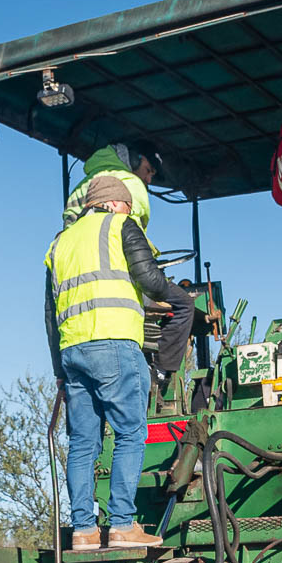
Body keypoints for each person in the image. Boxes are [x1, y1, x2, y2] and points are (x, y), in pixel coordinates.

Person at [45, 173, 173, 551]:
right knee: (131, 433)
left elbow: (48, 315)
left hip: (73, 352)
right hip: (115, 342)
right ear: (116, 204)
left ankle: (83, 530)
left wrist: (58, 372)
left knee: (83, 442)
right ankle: (121, 525)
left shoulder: (60, 243)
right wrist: (175, 295)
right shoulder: (121, 225)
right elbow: (149, 280)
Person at [64, 143, 196, 384]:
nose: (148, 178)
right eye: (148, 169)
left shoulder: (78, 189)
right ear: (134, 160)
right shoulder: (131, 184)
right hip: (119, 281)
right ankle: (161, 373)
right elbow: (133, 238)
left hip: (79, 293)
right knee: (184, 305)